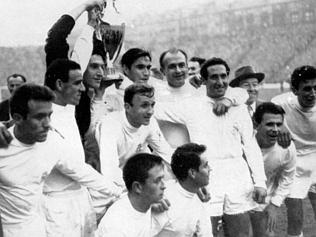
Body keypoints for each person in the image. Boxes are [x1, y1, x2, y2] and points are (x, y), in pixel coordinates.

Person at [155, 57, 267, 237]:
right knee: (207, 231)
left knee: (240, 234)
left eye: (224, 76)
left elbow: (250, 146)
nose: (220, 81)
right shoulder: (191, 105)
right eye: (214, 77)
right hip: (207, 174)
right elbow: (153, 108)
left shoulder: (238, 106)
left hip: (238, 174)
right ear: (204, 80)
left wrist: (260, 182)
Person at [0, 83, 121, 237]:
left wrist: (120, 193)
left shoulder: (52, 142)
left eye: (49, 115)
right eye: (39, 117)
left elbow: (81, 171)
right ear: (17, 118)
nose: (47, 124)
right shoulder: (2, 146)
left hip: (39, 227)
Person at [156, 48, 248, 148]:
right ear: (163, 70)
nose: (178, 70)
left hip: (200, 154)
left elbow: (241, 93)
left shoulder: (200, 89)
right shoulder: (156, 93)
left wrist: (228, 99)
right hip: (167, 154)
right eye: (172, 67)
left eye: (182, 65)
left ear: (187, 67)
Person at [92, 83, 173, 187]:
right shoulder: (110, 125)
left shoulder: (149, 121)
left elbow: (167, 153)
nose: (151, 111)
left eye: (152, 105)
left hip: (137, 179)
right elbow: (110, 172)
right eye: (144, 105)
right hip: (110, 184)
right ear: (127, 107)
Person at [272, 65, 316, 237]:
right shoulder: (281, 103)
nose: (312, 93)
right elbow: (264, 111)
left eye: (315, 88)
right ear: (294, 90)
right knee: (295, 216)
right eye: (306, 88)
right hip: (295, 161)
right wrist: (279, 123)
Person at [250, 102, 296, 237]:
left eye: (279, 124)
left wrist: (274, 205)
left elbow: (288, 179)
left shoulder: (287, 147)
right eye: (270, 124)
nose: (275, 129)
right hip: (237, 200)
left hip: (263, 201)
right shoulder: (242, 142)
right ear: (256, 123)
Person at [98, 153, 166, 237]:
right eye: (157, 181)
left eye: (162, 179)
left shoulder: (150, 203)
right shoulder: (115, 227)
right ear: (138, 187)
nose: (164, 186)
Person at [153, 143, 213, 237]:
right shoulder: (162, 198)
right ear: (192, 173)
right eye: (205, 166)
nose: (210, 169)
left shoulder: (198, 200)